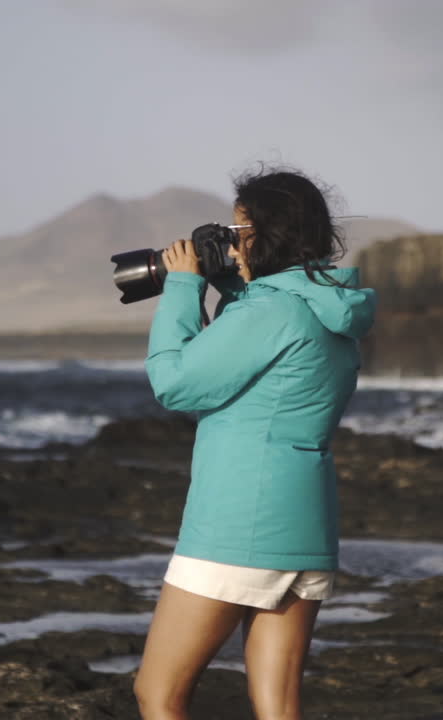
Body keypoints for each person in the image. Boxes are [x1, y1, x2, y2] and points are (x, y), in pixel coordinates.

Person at [133, 168, 377, 720]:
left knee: (159, 693)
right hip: (306, 524)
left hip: (237, 523)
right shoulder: (328, 309)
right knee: (276, 705)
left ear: (261, 232)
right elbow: (271, 347)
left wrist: (183, 285)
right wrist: (234, 287)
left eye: (237, 226)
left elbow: (174, 384)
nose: (232, 237)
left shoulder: (268, 312)